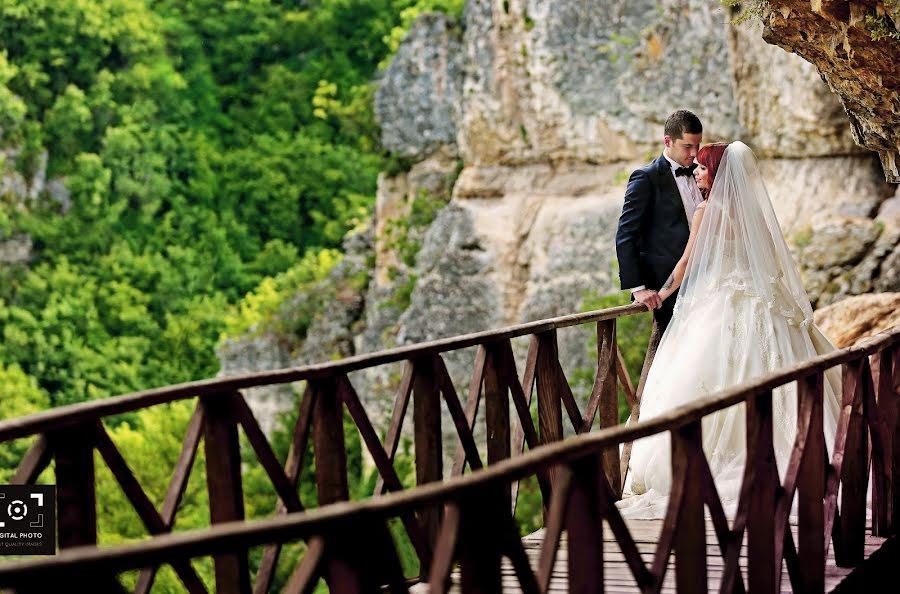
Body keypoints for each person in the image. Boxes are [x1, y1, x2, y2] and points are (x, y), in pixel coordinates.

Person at [618, 141, 843, 519]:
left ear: (717, 172)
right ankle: (803, 454)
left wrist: (657, 293)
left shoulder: (708, 210)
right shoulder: (751, 211)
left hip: (719, 300)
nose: (697, 173)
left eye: (703, 167)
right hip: (762, 299)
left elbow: (687, 262)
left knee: (704, 374)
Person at [616, 109, 705, 333]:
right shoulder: (645, 178)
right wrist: (638, 288)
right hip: (668, 291)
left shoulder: (703, 173)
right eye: (687, 146)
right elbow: (626, 235)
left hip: (707, 282)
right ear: (668, 141)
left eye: (698, 145)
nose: (694, 153)